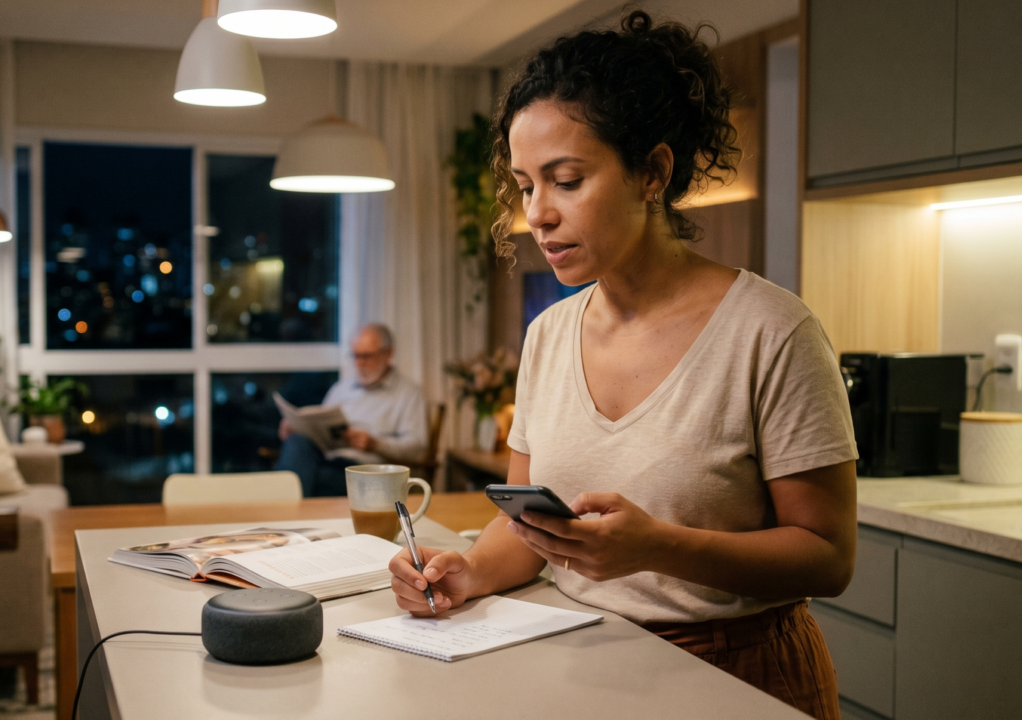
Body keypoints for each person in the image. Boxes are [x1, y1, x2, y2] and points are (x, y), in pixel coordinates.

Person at [387, 12, 856, 720]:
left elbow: (828, 557)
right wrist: (470, 570)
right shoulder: (548, 336)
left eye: (566, 180)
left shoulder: (772, 331)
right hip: (585, 661)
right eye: (525, 185)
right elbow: (524, 527)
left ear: (652, 172)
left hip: (742, 674)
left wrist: (659, 547)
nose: (537, 214)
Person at [276, 323, 428, 497]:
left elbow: (418, 448)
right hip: (327, 460)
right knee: (296, 443)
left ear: (388, 354)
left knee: (297, 480)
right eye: (355, 356)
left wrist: (375, 444)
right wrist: (298, 429)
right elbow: (319, 430)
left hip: (367, 473)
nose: (359, 363)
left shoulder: (408, 393)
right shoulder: (342, 388)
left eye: (366, 356)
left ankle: (281, 504)